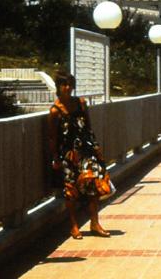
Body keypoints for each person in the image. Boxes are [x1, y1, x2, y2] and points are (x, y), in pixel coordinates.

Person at [47, 70, 110, 239]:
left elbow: (88, 127)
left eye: (70, 84)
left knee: (94, 186)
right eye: (64, 85)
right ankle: (74, 226)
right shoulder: (55, 111)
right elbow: (53, 137)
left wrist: (96, 147)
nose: (68, 88)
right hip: (68, 155)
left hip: (87, 151)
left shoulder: (81, 103)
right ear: (58, 87)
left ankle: (95, 223)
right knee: (71, 190)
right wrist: (55, 158)